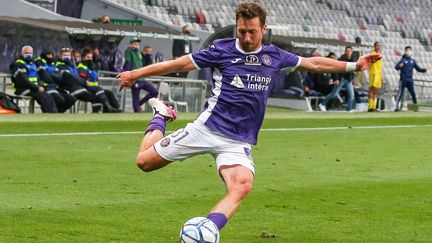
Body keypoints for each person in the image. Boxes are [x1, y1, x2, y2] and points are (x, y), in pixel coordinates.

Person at [116, 2, 381, 233]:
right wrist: (136, 73)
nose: (246, 37)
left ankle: (207, 229)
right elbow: (180, 63)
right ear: (236, 27)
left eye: (252, 31)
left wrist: (354, 66)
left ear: (263, 30)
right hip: (206, 129)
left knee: (242, 186)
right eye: (242, 31)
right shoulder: (222, 50)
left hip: (237, 141)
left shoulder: (273, 56)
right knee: (144, 162)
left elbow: (313, 63)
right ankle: (161, 115)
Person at [56, 47, 116, 113]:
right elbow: (73, 79)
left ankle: (110, 109)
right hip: (73, 89)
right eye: (65, 55)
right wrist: (84, 82)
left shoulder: (76, 66)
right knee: (98, 94)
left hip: (82, 87)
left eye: (68, 55)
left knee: (104, 93)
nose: (67, 57)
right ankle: (103, 110)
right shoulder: (63, 66)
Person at [9, 45, 58, 113]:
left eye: (30, 53)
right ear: (22, 53)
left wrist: (40, 85)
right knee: (44, 97)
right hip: (23, 89)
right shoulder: (18, 64)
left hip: (33, 89)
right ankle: (49, 115)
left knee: (49, 96)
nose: (29, 54)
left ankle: (53, 115)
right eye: (26, 53)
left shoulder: (33, 64)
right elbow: (24, 80)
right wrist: (37, 88)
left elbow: (38, 77)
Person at [77, 47, 121, 112]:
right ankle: (108, 107)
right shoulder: (81, 68)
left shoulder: (92, 68)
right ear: (83, 58)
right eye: (88, 57)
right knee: (100, 92)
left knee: (109, 93)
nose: (90, 59)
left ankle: (115, 108)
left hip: (95, 89)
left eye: (91, 58)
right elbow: (83, 80)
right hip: (86, 88)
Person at [34, 48, 76, 112]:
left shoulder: (53, 64)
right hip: (45, 87)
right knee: (60, 99)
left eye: (51, 55)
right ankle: (54, 112)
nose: (50, 57)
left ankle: (58, 112)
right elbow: (45, 76)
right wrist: (53, 77)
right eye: (48, 55)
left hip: (54, 87)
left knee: (71, 99)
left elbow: (57, 76)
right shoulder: (39, 61)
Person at [124, 37, 158, 112]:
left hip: (142, 78)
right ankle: (137, 109)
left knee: (154, 92)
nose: (136, 45)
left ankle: (139, 104)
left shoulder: (138, 52)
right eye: (134, 43)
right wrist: (128, 77)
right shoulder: (129, 51)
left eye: (137, 43)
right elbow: (128, 64)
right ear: (131, 44)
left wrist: (148, 57)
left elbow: (143, 63)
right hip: (135, 78)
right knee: (135, 98)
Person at [319, 46, 358, 112]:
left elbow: (354, 69)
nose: (348, 52)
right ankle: (322, 104)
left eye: (349, 51)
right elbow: (336, 69)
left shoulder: (354, 58)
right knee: (334, 94)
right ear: (345, 52)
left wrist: (352, 79)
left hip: (348, 80)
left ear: (351, 52)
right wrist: (336, 79)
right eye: (347, 51)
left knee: (351, 95)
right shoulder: (341, 59)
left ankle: (350, 109)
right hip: (341, 79)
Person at [395, 46, 427, 111]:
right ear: (405, 51)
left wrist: (423, 70)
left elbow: (418, 69)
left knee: (413, 94)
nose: (409, 52)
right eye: (407, 50)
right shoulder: (403, 60)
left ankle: (415, 108)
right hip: (403, 79)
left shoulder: (413, 61)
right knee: (400, 93)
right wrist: (399, 66)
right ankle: (397, 107)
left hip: (410, 80)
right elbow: (396, 67)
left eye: (410, 50)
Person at [367, 41, 383, 112]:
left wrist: (381, 76)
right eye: (377, 45)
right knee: (372, 90)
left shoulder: (379, 54)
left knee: (376, 91)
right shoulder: (372, 54)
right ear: (374, 46)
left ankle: (374, 106)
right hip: (373, 73)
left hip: (378, 74)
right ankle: (370, 107)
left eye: (379, 46)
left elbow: (380, 66)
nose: (378, 47)